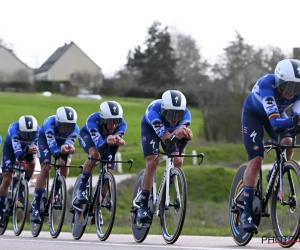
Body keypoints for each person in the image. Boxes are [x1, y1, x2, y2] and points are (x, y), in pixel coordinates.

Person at [241, 58, 300, 233]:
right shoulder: (267, 84)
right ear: (279, 81)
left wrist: (296, 121)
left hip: (277, 114)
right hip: (254, 116)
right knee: (256, 160)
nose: (292, 92)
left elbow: (296, 116)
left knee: (288, 142)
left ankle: (278, 170)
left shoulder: (298, 92)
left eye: (296, 87)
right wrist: (293, 121)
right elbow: (275, 123)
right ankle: (247, 211)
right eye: (288, 86)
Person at [136, 90, 193, 224]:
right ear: (163, 110)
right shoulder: (153, 112)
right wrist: (176, 132)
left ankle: (165, 189)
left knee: (178, 160)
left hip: (171, 132)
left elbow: (179, 141)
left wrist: (185, 135)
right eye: (170, 113)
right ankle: (143, 204)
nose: (174, 118)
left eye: (177, 114)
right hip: (151, 130)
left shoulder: (187, 115)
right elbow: (166, 139)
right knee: (152, 163)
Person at [31, 106, 79, 224]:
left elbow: (68, 146)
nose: (67, 130)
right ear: (58, 122)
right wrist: (60, 151)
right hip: (46, 142)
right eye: (64, 126)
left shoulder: (75, 129)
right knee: (46, 167)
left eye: (70, 126)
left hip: (62, 143)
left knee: (65, 163)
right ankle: (36, 205)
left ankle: (57, 191)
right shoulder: (49, 125)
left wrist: (68, 148)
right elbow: (53, 149)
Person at [76, 101, 126, 205]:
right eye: (110, 121)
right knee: (95, 155)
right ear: (103, 119)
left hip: (106, 141)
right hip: (88, 136)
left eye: (116, 121)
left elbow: (113, 148)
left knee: (110, 171)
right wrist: (107, 140)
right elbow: (99, 146)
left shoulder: (122, 124)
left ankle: (99, 201)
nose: (114, 125)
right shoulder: (93, 120)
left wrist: (118, 141)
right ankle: (81, 189)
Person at [0, 115, 40, 227]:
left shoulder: (38, 131)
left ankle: (24, 184)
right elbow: (18, 156)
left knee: (32, 163)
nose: (28, 137)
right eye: (25, 134)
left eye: (30, 134)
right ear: (20, 130)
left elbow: (38, 153)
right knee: (7, 178)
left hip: (27, 149)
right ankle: (1, 208)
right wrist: (27, 149)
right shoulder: (13, 129)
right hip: (11, 150)